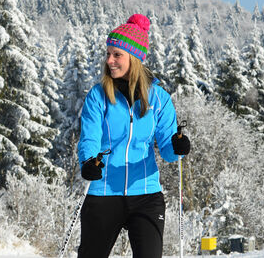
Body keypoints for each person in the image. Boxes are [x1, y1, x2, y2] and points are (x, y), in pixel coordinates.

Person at [77, 14, 193, 258]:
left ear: (135, 58)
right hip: (104, 191)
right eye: (108, 53)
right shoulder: (98, 96)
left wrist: (178, 145)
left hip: (145, 194)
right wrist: (88, 162)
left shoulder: (159, 99)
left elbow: (170, 153)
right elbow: (89, 137)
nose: (110, 60)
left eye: (117, 54)